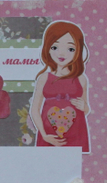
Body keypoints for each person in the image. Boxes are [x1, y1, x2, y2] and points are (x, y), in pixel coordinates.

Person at [29, 21, 90, 153]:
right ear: (47, 48)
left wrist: (84, 106)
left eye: (70, 49)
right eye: (55, 47)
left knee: (76, 162)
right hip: (49, 135)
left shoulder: (80, 78)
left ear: (78, 51)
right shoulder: (44, 78)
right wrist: (44, 135)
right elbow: (34, 110)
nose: (61, 54)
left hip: (76, 134)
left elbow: (86, 109)